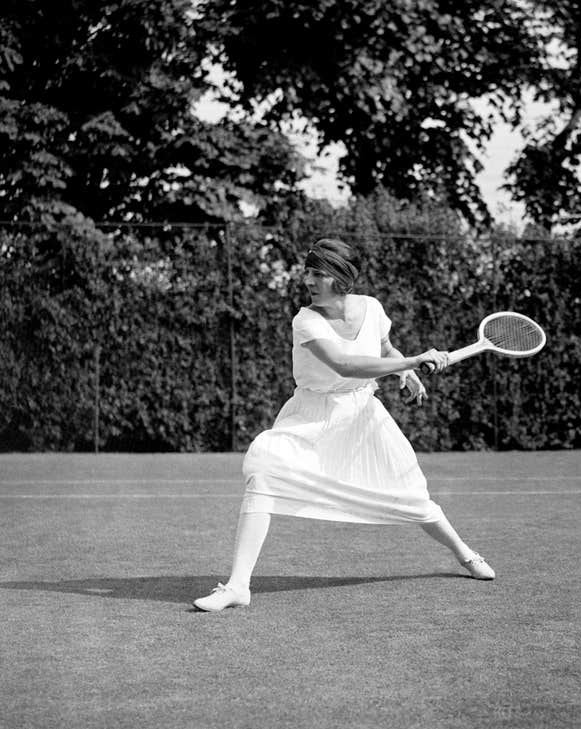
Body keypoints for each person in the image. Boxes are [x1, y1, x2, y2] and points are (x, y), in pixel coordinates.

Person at [194, 238, 494, 612]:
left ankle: (465, 554)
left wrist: (406, 370)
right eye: (307, 271)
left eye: (317, 273)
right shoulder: (305, 321)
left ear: (341, 277)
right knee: (264, 470)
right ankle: (238, 587)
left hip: (363, 417)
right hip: (312, 416)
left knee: (412, 497)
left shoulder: (372, 308)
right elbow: (346, 365)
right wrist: (414, 362)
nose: (307, 279)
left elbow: (384, 350)